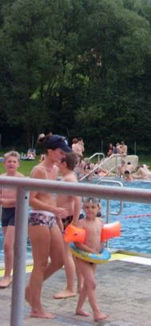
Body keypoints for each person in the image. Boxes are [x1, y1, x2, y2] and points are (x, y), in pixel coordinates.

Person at [25, 134, 74, 319]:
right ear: (50, 151)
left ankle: (30, 290)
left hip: (51, 217)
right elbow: (31, 200)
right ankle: (35, 307)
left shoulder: (54, 170)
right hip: (38, 217)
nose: (63, 156)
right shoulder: (39, 171)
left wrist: (56, 215)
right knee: (40, 263)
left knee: (59, 260)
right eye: (60, 152)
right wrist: (54, 209)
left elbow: (50, 196)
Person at [73, 198, 109, 321]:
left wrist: (100, 252)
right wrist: (92, 252)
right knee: (92, 284)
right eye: (87, 207)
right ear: (83, 208)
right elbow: (77, 244)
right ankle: (97, 313)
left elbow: (102, 238)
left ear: (99, 208)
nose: (90, 210)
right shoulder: (80, 223)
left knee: (87, 285)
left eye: (93, 207)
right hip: (83, 257)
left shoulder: (101, 222)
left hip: (95, 257)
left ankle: (79, 309)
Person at [54, 152, 81, 300]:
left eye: (59, 162)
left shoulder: (69, 180)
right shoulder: (68, 178)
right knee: (75, 255)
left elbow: (78, 200)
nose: (57, 165)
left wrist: (74, 221)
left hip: (70, 220)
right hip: (68, 219)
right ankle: (78, 285)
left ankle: (71, 288)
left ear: (64, 164)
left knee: (67, 254)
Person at [0, 151, 25, 289]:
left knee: (7, 245)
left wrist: (5, 201)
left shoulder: (21, 179)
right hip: (5, 213)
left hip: (17, 213)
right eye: (9, 161)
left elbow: (22, 200)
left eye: (14, 162)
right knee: (11, 247)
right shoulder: (2, 178)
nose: (11, 164)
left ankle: (7, 276)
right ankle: (15, 273)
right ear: (4, 164)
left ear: (18, 164)